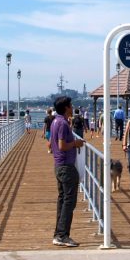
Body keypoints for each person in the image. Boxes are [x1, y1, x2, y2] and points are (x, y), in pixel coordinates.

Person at [49, 96, 84, 247]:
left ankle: (58, 234)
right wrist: (76, 143)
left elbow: (52, 143)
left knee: (63, 200)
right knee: (69, 202)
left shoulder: (55, 122)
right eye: (70, 105)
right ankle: (62, 235)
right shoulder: (62, 123)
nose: (72, 107)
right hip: (66, 167)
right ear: (66, 108)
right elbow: (62, 145)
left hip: (59, 165)